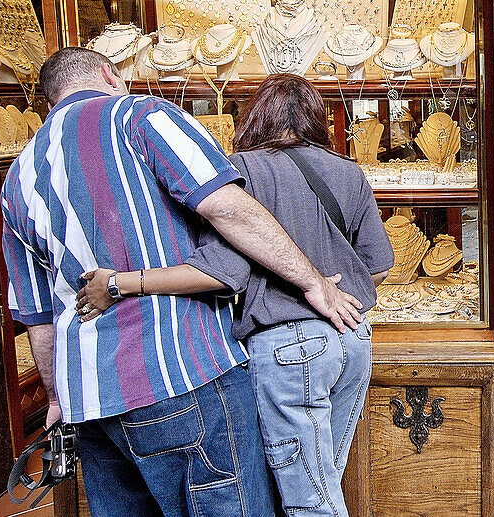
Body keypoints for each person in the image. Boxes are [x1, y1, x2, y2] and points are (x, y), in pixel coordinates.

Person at [2, 48, 364, 516]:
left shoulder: (18, 177)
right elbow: (227, 207)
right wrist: (314, 282)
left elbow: (38, 314)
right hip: (180, 375)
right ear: (111, 75)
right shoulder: (141, 116)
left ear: (49, 100)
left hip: (88, 400)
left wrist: (55, 398)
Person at [77, 73, 394, 517]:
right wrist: (332, 290)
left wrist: (122, 282)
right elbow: (377, 266)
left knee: (310, 500)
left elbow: (223, 273)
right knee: (319, 487)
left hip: (288, 346)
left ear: (254, 117)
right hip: (352, 338)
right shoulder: (348, 170)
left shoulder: (238, 171)